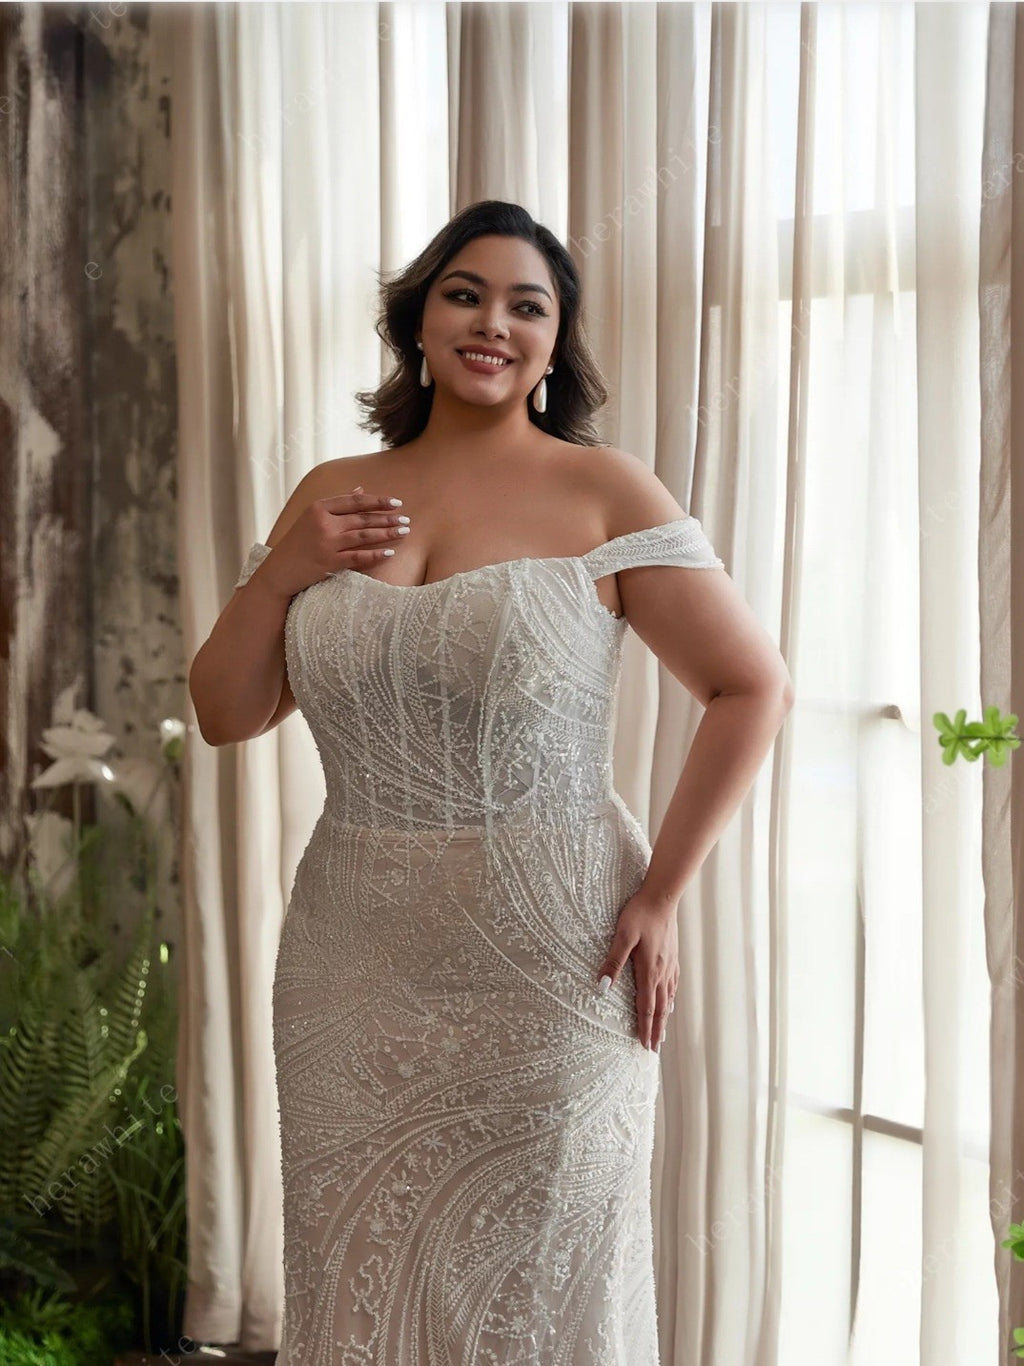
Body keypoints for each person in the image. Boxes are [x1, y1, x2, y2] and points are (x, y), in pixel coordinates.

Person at [189, 199, 793, 1365]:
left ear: (555, 344)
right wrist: (286, 572)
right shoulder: (334, 491)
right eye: (465, 293)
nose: (493, 323)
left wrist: (660, 894)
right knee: (354, 1274)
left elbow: (748, 685)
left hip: (556, 955)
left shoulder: (606, 490)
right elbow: (225, 711)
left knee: (534, 1289)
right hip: (352, 959)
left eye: (529, 305)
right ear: (418, 320)